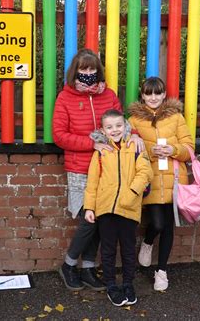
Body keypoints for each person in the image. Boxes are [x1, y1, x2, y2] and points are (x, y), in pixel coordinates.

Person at [52, 49, 143, 291]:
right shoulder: (65, 98)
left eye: (93, 70)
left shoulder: (109, 95)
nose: (89, 74)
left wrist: (134, 135)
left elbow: (121, 124)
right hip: (81, 168)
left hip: (110, 168)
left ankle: (89, 269)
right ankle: (69, 265)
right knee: (88, 221)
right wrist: (92, 144)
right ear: (75, 72)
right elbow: (59, 135)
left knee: (103, 220)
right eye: (84, 70)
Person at [128, 77, 194, 291]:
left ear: (164, 94)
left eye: (157, 93)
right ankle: (147, 242)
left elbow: (189, 148)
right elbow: (128, 150)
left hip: (175, 179)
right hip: (150, 179)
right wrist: (150, 152)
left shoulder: (176, 117)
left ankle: (162, 272)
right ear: (142, 94)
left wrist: (173, 150)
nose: (153, 97)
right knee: (157, 223)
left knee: (168, 227)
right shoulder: (134, 120)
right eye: (149, 93)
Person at [84, 109, 153, 306]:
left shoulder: (135, 146)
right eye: (109, 127)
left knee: (128, 249)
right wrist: (90, 207)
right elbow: (92, 182)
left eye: (118, 126)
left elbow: (146, 172)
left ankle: (128, 284)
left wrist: (132, 193)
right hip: (105, 208)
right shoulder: (101, 152)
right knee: (108, 250)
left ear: (125, 126)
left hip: (129, 208)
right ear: (103, 130)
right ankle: (112, 286)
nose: (114, 130)